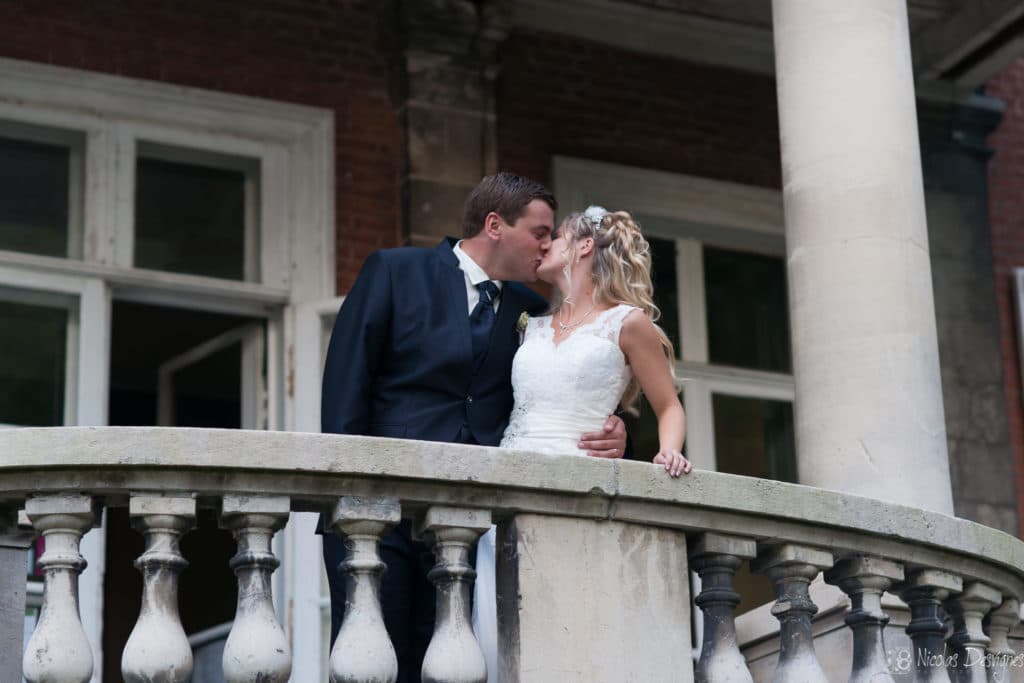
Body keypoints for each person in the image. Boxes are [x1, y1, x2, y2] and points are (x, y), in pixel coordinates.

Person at [320, 174, 628, 682]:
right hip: (380, 516)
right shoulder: (396, 271)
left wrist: (618, 435)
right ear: (495, 226)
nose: (550, 245)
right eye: (541, 232)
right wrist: (347, 501)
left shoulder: (533, 313)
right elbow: (345, 387)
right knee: (372, 667)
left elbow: (561, 399)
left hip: (474, 528)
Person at [472, 206, 691, 680]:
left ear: (584, 245)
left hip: (577, 488)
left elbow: (669, 406)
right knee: (499, 630)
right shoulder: (530, 323)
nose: (544, 244)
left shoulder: (626, 323)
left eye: (555, 236)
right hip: (507, 483)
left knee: (566, 627)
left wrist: (667, 450)